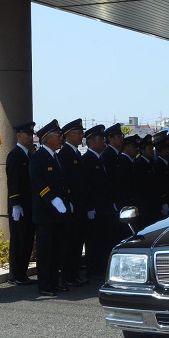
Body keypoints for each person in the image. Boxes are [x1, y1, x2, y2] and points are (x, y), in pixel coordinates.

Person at [29, 119, 71, 296]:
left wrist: (65, 200)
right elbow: (38, 182)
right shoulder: (38, 157)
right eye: (58, 136)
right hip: (46, 212)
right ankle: (45, 285)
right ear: (48, 138)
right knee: (45, 251)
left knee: (57, 249)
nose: (61, 139)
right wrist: (53, 199)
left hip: (58, 212)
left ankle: (54, 281)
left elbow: (61, 182)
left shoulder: (55, 157)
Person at [5, 121, 36, 285]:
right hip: (19, 205)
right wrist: (15, 203)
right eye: (27, 134)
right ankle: (15, 274)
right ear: (18, 135)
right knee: (18, 240)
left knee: (28, 239)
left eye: (31, 134)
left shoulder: (29, 155)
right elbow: (13, 181)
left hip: (29, 205)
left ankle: (22, 273)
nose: (30, 137)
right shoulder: (15, 154)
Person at [57, 118, 87, 287]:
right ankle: (68, 275)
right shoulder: (64, 155)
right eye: (79, 133)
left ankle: (74, 274)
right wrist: (68, 200)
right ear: (69, 135)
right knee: (70, 242)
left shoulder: (76, 153)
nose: (81, 136)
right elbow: (65, 181)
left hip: (80, 204)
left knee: (77, 241)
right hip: (71, 205)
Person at [81, 124, 113, 279]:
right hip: (94, 208)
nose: (103, 141)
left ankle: (101, 268)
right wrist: (89, 207)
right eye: (100, 139)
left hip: (104, 207)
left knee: (104, 239)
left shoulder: (100, 159)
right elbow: (85, 186)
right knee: (94, 241)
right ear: (91, 142)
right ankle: (93, 270)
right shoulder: (86, 160)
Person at [134, 134, 160, 228]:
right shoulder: (139, 165)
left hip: (155, 203)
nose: (152, 151)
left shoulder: (152, 163)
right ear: (142, 150)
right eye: (149, 148)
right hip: (145, 206)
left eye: (152, 148)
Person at [153, 130, 169, 215]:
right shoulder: (158, 165)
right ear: (159, 151)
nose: (168, 151)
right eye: (165, 149)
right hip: (165, 200)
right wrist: (163, 202)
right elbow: (160, 185)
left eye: (168, 149)